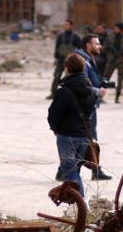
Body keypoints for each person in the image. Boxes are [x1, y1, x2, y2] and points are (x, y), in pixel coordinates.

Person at [48, 53, 95, 196]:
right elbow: (90, 112)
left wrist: (55, 129)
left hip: (67, 136)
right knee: (75, 170)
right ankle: (79, 205)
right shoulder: (90, 90)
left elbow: (53, 114)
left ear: (67, 68)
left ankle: (81, 205)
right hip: (84, 135)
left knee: (70, 172)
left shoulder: (64, 91)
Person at [75, 33, 114, 180]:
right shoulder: (83, 61)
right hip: (84, 107)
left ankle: (92, 170)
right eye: (96, 44)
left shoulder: (88, 59)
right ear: (88, 45)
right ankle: (79, 171)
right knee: (86, 139)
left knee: (88, 138)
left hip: (89, 105)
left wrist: (100, 83)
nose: (100, 46)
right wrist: (98, 91)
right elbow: (80, 84)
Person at [104, 22, 123, 103]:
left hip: (122, 60)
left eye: (117, 28)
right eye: (114, 28)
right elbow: (105, 47)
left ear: (120, 29)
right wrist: (109, 51)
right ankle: (100, 96)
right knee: (106, 77)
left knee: (120, 79)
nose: (115, 30)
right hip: (112, 60)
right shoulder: (110, 37)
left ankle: (117, 97)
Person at [49, 19, 81, 97]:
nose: (65, 26)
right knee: (57, 76)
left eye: (67, 25)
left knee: (71, 78)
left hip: (71, 61)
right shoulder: (60, 36)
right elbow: (57, 48)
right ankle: (53, 93)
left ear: (71, 26)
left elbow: (80, 49)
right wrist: (56, 58)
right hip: (61, 60)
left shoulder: (76, 37)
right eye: (64, 25)